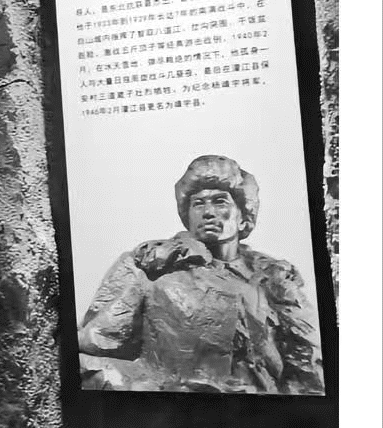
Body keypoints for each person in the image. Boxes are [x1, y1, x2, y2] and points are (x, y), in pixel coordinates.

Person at [76, 154, 323, 394]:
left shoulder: (274, 280)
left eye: (220, 201)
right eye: (198, 203)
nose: (208, 212)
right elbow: (89, 349)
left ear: (243, 216)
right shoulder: (150, 267)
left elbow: (309, 373)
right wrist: (150, 389)